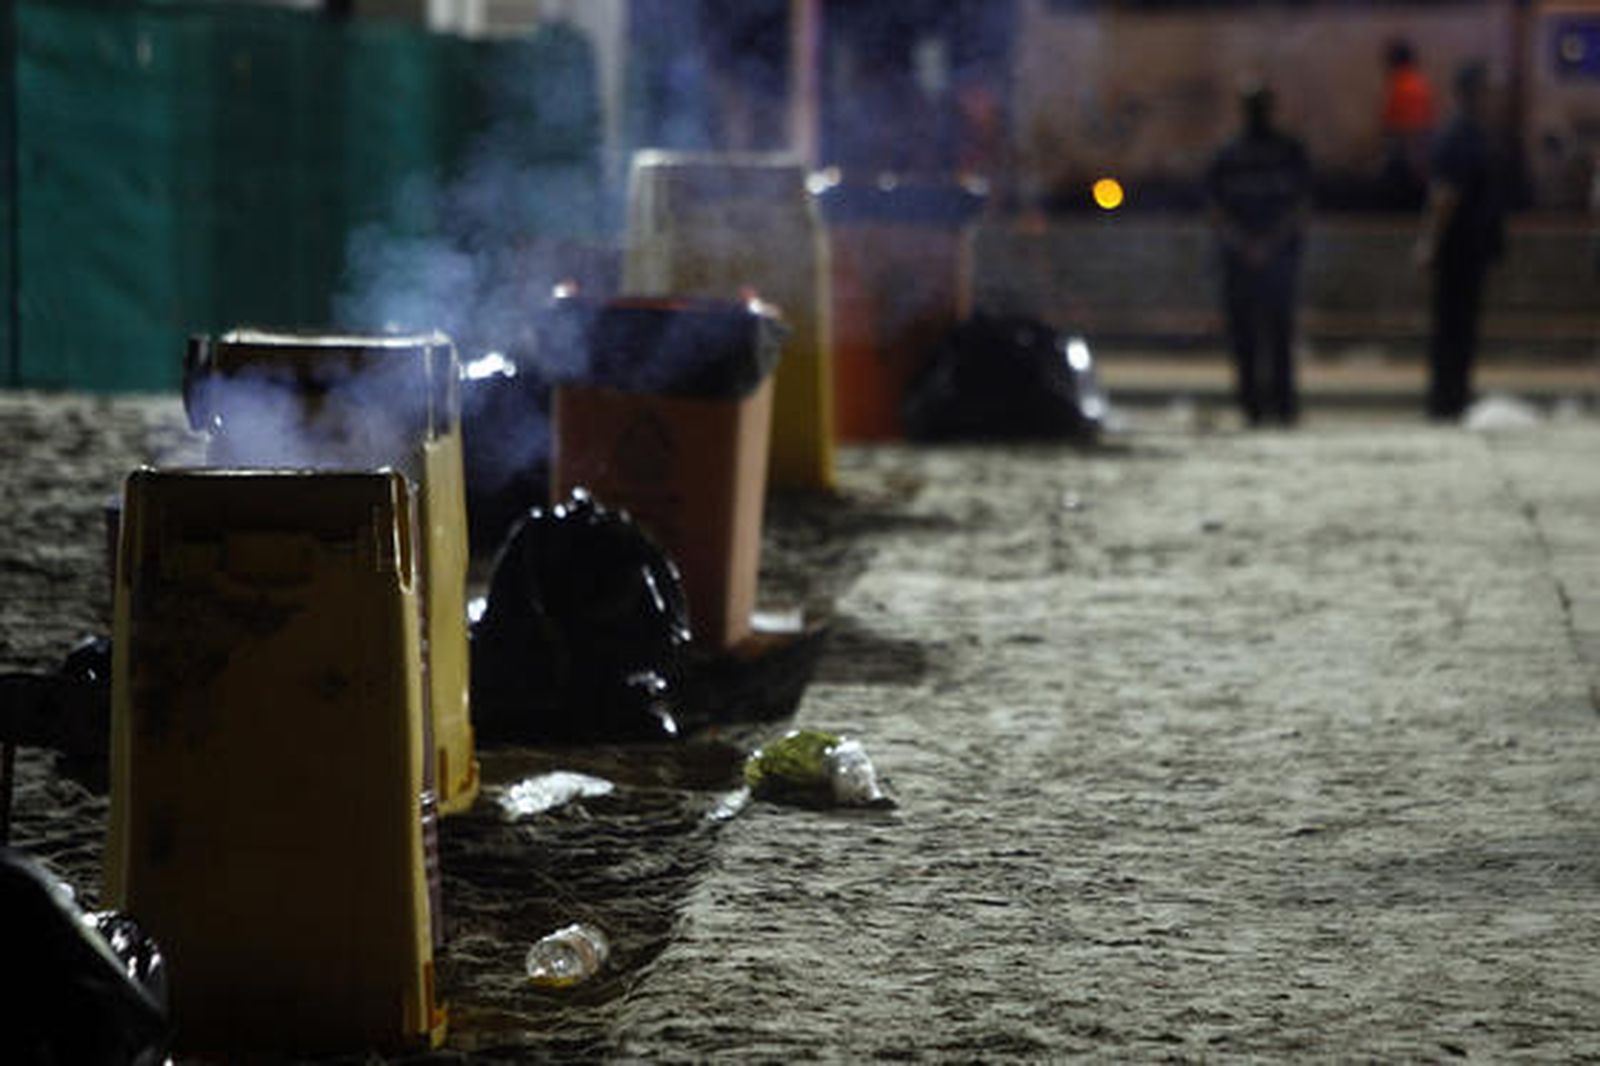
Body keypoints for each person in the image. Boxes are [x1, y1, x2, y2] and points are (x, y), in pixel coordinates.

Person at [1206, 82, 1313, 426]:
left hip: (1275, 259)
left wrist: (1268, 244)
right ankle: (1253, 406)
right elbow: (1216, 209)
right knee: (1245, 337)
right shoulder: (1228, 154)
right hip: (1243, 261)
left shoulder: (1288, 152)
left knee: (1279, 335)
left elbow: (1301, 205)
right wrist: (1247, 244)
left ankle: (1281, 406)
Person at [1413, 62, 1506, 421]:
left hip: (1471, 249)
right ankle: (1445, 401)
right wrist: (1430, 243)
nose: (1493, 97)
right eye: (1487, 90)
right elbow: (1444, 195)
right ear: (1472, 92)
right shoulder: (1458, 135)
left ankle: (1454, 396)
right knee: (1451, 327)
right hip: (1457, 251)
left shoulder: (1476, 133)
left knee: (1461, 327)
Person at [1379, 39, 1436, 209]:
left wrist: (1414, 159)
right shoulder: (1420, 83)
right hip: (1416, 150)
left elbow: (1407, 128)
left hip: (1406, 154)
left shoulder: (1402, 86)